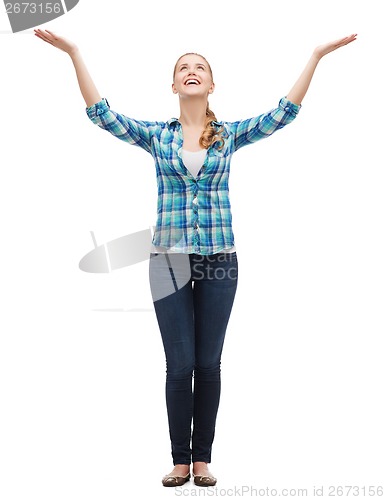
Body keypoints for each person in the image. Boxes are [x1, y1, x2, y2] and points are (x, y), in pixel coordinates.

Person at [34, 29, 357, 487]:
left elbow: (283, 114)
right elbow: (102, 115)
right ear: (173, 85)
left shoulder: (228, 136)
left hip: (220, 260)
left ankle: (202, 460)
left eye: (199, 67)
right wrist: (73, 52)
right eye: (183, 68)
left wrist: (316, 55)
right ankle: (179, 461)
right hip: (168, 261)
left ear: (210, 85)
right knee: (178, 364)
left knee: (208, 364)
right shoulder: (155, 137)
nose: (191, 72)